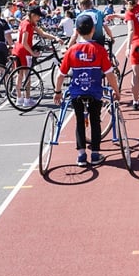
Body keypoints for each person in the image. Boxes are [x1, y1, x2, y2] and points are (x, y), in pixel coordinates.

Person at [53, 14, 121, 167]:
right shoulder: (99, 50)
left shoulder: (71, 50)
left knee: (79, 121)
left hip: (77, 92)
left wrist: (57, 92)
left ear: (76, 31)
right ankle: (95, 153)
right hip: (95, 91)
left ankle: (81, 155)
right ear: (93, 30)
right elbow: (109, 74)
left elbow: (60, 75)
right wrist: (116, 91)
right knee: (95, 120)